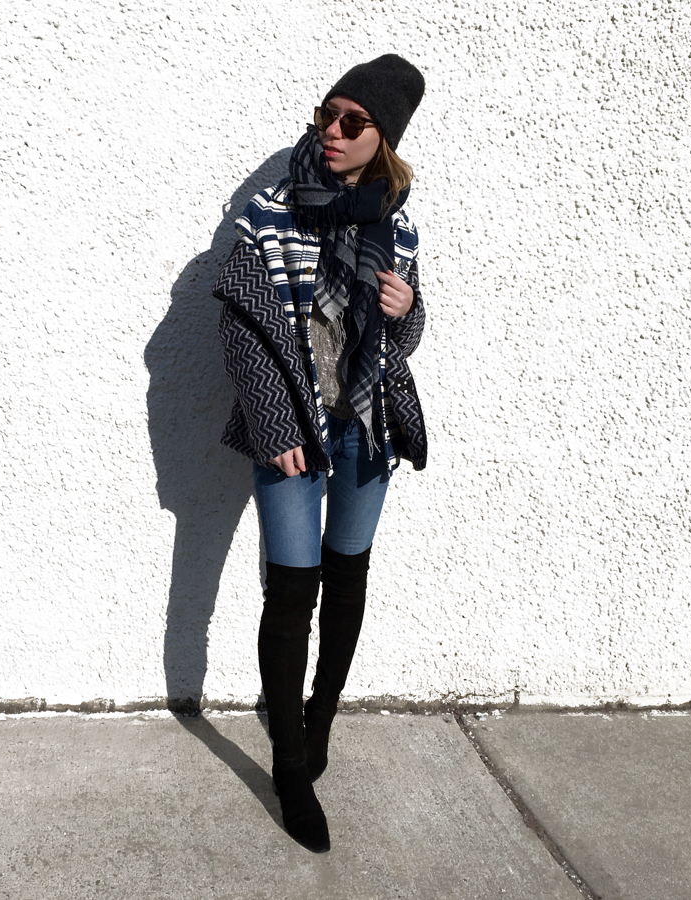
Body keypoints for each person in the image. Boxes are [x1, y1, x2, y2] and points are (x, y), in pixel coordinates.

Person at [213, 54, 428, 853]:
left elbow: (399, 339)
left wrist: (407, 311)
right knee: (291, 589)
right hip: (294, 429)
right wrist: (276, 427)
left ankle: (319, 717)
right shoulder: (271, 210)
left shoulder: (396, 219)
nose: (332, 134)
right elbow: (239, 323)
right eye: (326, 116)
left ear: (383, 139)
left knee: (348, 575)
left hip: (364, 424)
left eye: (353, 123)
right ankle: (289, 766)